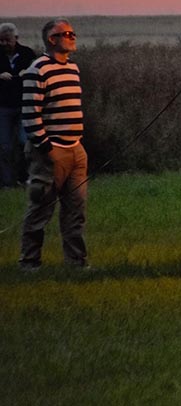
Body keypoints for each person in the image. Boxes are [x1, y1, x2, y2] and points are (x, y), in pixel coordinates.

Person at [19, 18, 88, 270]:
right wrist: (48, 149)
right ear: (52, 40)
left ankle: (76, 263)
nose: (72, 37)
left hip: (76, 148)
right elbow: (30, 114)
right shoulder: (37, 69)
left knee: (76, 210)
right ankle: (29, 262)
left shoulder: (73, 69)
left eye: (73, 32)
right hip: (50, 151)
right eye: (66, 33)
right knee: (40, 208)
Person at [1, 23, 37, 188]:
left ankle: (25, 178)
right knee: (5, 146)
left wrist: (26, 72)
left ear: (16, 39)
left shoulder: (27, 53)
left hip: (24, 105)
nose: (4, 44)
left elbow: (38, 74)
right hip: (3, 107)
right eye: (1, 40)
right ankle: (7, 182)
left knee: (25, 143)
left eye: (7, 40)